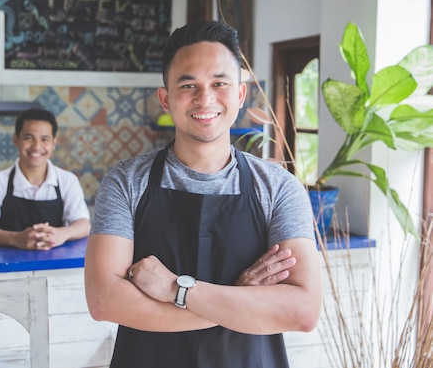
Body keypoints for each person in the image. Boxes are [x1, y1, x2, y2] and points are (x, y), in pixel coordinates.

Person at [84, 20, 322, 367]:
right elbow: (104, 301)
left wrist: (176, 289)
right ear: (165, 99)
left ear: (240, 95)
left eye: (219, 83)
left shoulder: (278, 187)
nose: (205, 98)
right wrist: (237, 301)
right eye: (188, 84)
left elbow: (302, 311)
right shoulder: (126, 182)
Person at [0, 108, 90, 250]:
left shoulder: (68, 181)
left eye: (44, 139)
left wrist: (62, 234)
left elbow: (84, 225)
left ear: (54, 143)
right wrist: (15, 239)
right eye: (28, 138)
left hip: (57, 269)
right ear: (16, 140)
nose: (36, 146)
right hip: (6, 269)